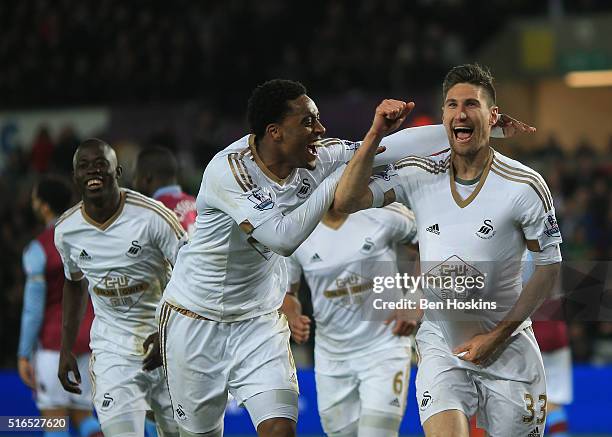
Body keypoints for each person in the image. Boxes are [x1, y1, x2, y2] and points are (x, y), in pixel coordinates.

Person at [158, 78, 528, 437]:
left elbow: (389, 147)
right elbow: (283, 238)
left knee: (279, 428)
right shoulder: (231, 171)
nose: (319, 129)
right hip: (196, 318)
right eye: (307, 121)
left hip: (257, 321)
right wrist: (335, 179)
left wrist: (484, 130)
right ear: (275, 132)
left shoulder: (316, 157)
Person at [332, 63, 561, 437]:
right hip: (441, 342)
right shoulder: (419, 173)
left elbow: (549, 268)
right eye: (452, 105)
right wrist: (375, 136)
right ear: (442, 117)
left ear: (493, 116)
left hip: (508, 345)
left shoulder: (524, 185)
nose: (461, 113)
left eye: (471, 104)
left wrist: (497, 336)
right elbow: (346, 200)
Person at [55, 138, 188, 437]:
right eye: (84, 166)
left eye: (101, 164)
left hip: (170, 345)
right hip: (113, 351)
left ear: (117, 172)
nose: (93, 171)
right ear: (75, 175)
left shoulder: (153, 216)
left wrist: (166, 329)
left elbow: (192, 273)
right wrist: (66, 347)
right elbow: (74, 283)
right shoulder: (67, 231)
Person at [281, 202, 418, 437]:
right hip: (332, 357)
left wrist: (415, 298)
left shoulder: (383, 211)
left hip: (385, 346)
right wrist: (293, 315)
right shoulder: (296, 229)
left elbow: (430, 244)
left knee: (377, 433)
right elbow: (288, 292)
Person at [18, 175, 101, 437]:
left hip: (54, 345)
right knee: (84, 416)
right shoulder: (88, 240)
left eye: (34, 198)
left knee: (54, 420)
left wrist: (23, 353)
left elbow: (33, 309)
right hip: (88, 341)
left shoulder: (38, 249)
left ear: (43, 206)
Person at [133, 146, 197, 235]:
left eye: (135, 176)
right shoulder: (195, 203)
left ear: (147, 177)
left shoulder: (152, 212)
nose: (134, 182)